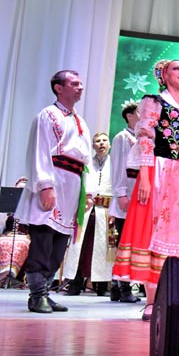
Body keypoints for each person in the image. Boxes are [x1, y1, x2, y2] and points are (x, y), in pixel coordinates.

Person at [112, 59, 179, 321]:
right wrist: (144, 175)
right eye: (176, 69)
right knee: (154, 230)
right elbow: (145, 137)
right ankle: (151, 301)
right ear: (164, 75)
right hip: (160, 169)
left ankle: (175, 298)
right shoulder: (154, 102)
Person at [16, 70, 92, 313]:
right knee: (43, 241)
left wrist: (87, 192)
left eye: (81, 83)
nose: (80, 87)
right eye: (74, 83)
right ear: (59, 88)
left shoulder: (79, 120)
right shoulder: (48, 115)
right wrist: (45, 185)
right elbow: (40, 151)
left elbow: (84, 160)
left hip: (72, 184)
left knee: (60, 244)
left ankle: (46, 292)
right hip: (54, 180)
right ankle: (36, 294)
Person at [62, 132, 114, 297]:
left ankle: (101, 285)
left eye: (104, 140)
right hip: (86, 211)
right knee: (80, 246)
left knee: (103, 247)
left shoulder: (115, 163)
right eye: (97, 141)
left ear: (109, 144)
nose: (101, 143)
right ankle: (76, 282)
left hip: (105, 212)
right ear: (93, 146)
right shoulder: (87, 164)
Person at [107, 102, 141, 303]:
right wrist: (120, 193)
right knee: (124, 243)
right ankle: (123, 287)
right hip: (126, 193)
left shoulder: (142, 138)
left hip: (137, 194)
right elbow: (118, 166)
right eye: (138, 112)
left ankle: (116, 286)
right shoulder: (123, 137)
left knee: (132, 242)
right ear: (129, 115)